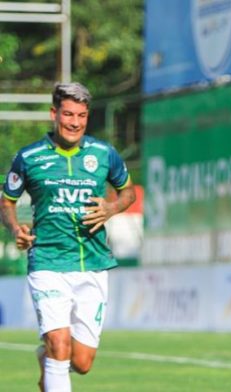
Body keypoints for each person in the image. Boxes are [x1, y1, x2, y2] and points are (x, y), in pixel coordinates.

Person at [0, 82, 135, 392]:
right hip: (47, 261)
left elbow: (127, 191)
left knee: (82, 362)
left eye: (82, 115)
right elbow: (6, 200)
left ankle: (45, 358)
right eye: (68, 114)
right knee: (59, 346)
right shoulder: (29, 157)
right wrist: (16, 228)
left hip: (93, 264)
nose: (75, 122)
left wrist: (111, 207)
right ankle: (51, 355)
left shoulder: (103, 154)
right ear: (54, 114)